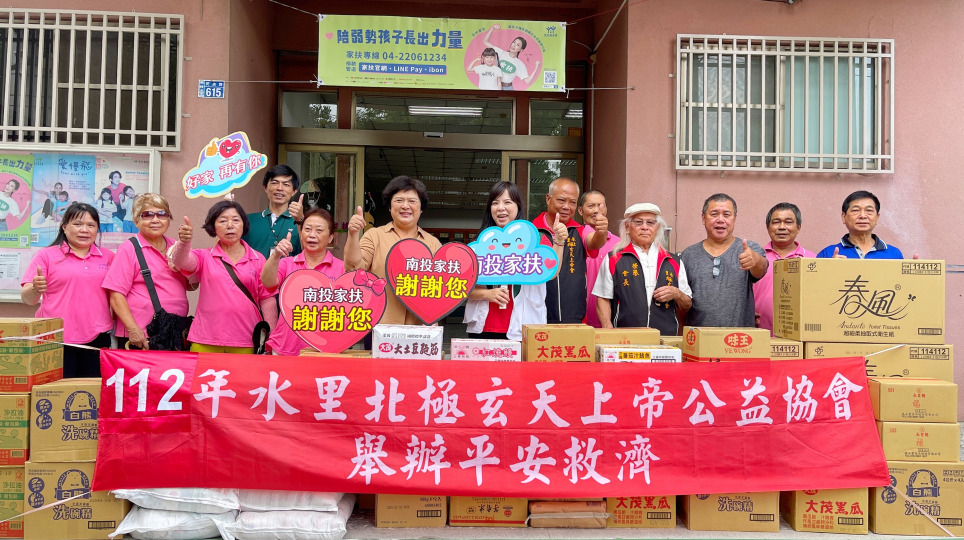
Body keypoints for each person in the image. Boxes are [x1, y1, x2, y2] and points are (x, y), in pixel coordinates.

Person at [20, 203, 114, 377]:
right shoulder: (46, 256)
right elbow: (28, 299)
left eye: (91, 225)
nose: (84, 230)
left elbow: (118, 296)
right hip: (55, 338)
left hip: (97, 338)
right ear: (64, 226)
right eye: (77, 224)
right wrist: (35, 288)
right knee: (57, 391)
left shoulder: (109, 257)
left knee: (91, 391)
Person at [463, 182, 566, 340]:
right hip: (483, 327)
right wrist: (487, 294)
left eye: (507, 202)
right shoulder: (478, 244)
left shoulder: (537, 240)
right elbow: (462, 288)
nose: (500, 208)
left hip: (524, 327)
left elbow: (551, 273)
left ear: (518, 206)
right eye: (495, 203)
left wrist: (559, 241)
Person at [171, 200, 277, 353]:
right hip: (205, 339)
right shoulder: (205, 256)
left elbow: (267, 298)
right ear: (213, 227)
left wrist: (271, 336)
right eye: (222, 221)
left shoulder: (257, 258)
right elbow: (181, 261)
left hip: (247, 340)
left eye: (236, 220)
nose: (230, 225)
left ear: (243, 224)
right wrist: (184, 242)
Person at [344, 175, 441, 325]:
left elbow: (440, 289)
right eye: (399, 200)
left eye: (412, 201)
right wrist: (352, 234)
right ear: (390, 206)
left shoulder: (433, 244)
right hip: (379, 326)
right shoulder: (374, 236)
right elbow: (354, 268)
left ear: (421, 208)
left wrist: (433, 320)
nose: (405, 206)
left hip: (419, 328)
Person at [102, 194, 191, 349]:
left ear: (168, 219)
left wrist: (186, 244)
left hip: (174, 331)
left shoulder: (176, 247)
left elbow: (191, 285)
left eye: (161, 214)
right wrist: (133, 329)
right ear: (137, 220)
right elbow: (116, 295)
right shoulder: (129, 249)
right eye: (148, 215)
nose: (155, 220)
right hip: (142, 336)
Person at [594, 203, 692, 335]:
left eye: (650, 223)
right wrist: (608, 329)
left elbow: (687, 304)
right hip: (625, 337)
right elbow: (603, 298)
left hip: (665, 337)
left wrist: (677, 294)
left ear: (657, 227)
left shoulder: (674, 261)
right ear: (627, 227)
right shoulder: (614, 258)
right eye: (638, 222)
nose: (645, 227)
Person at [261, 207, 345, 355]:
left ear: (331, 237)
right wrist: (276, 255)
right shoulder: (287, 263)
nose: (312, 235)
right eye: (307, 229)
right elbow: (267, 282)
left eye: (319, 230)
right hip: (285, 347)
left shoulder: (341, 268)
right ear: (301, 234)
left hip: (325, 351)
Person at [680, 193, 768, 328]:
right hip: (698, 336)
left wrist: (755, 260)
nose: (720, 220)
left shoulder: (749, 249)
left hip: (739, 337)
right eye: (714, 214)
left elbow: (761, 269)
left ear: (734, 218)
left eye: (727, 215)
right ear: (703, 218)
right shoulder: (688, 254)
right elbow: (682, 301)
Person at [532, 177, 608, 324]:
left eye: (572, 202)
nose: (567, 206)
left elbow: (594, 242)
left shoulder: (580, 230)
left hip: (574, 317)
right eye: (561, 200)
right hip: (537, 317)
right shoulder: (532, 231)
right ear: (548, 199)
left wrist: (601, 232)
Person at [753, 202, 816, 335]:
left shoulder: (811, 259)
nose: (782, 227)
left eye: (788, 222)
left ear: (798, 227)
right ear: (768, 227)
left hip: (798, 335)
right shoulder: (756, 259)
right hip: (759, 333)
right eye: (776, 222)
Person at [816, 190, 907, 259]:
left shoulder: (894, 254)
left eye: (869, 210)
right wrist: (829, 268)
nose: (862, 216)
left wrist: (912, 275)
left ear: (877, 217)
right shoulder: (827, 254)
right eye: (855, 210)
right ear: (844, 217)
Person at [243, 164, 305, 259]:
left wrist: (301, 221)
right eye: (275, 183)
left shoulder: (301, 224)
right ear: (265, 187)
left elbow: (309, 254)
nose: (280, 188)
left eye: (286, 184)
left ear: (294, 191)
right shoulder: (247, 220)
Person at [579, 190, 621, 328]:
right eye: (591, 206)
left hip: (607, 320)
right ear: (580, 210)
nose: (596, 210)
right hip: (577, 318)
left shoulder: (619, 244)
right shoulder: (574, 238)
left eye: (600, 205)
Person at [483, 24, 542, 90]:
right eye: (514, 42)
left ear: (521, 50)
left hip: (508, 88)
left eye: (518, 45)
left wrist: (536, 67)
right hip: (495, 85)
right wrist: (492, 28)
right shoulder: (501, 53)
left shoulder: (520, 64)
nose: (514, 45)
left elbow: (528, 81)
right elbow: (486, 42)